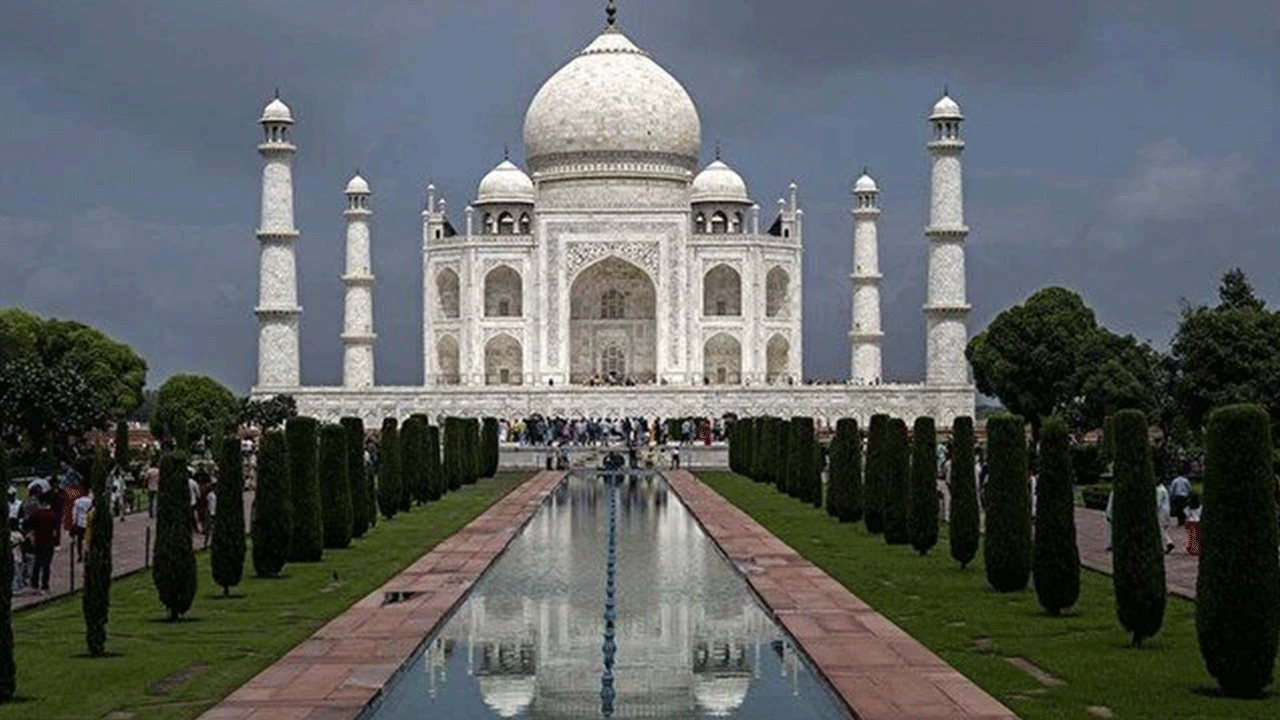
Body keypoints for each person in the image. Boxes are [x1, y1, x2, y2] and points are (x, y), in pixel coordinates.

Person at [24, 490, 59, 593]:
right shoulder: (52, 514)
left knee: (37, 563)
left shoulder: (35, 514)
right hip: (49, 541)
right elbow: (55, 529)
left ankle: (35, 583)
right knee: (46, 565)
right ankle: (45, 585)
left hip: (38, 541)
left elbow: (29, 526)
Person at [71, 486, 93, 562]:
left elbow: (75, 514)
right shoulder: (90, 501)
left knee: (79, 540)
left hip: (80, 523)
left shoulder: (77, 501)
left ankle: (80, 555)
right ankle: (88, 555)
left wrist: (74, 523)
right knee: (88, 540)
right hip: (88, 523)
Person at [1155, 477, 1174, 554]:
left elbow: (1158, 503)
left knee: (1161, 528)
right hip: (1166, 511)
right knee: (1164, 529)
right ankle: (1168, 542)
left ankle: (1164, 546)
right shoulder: (1163, 489)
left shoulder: (1159, 490)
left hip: (1161, 512)